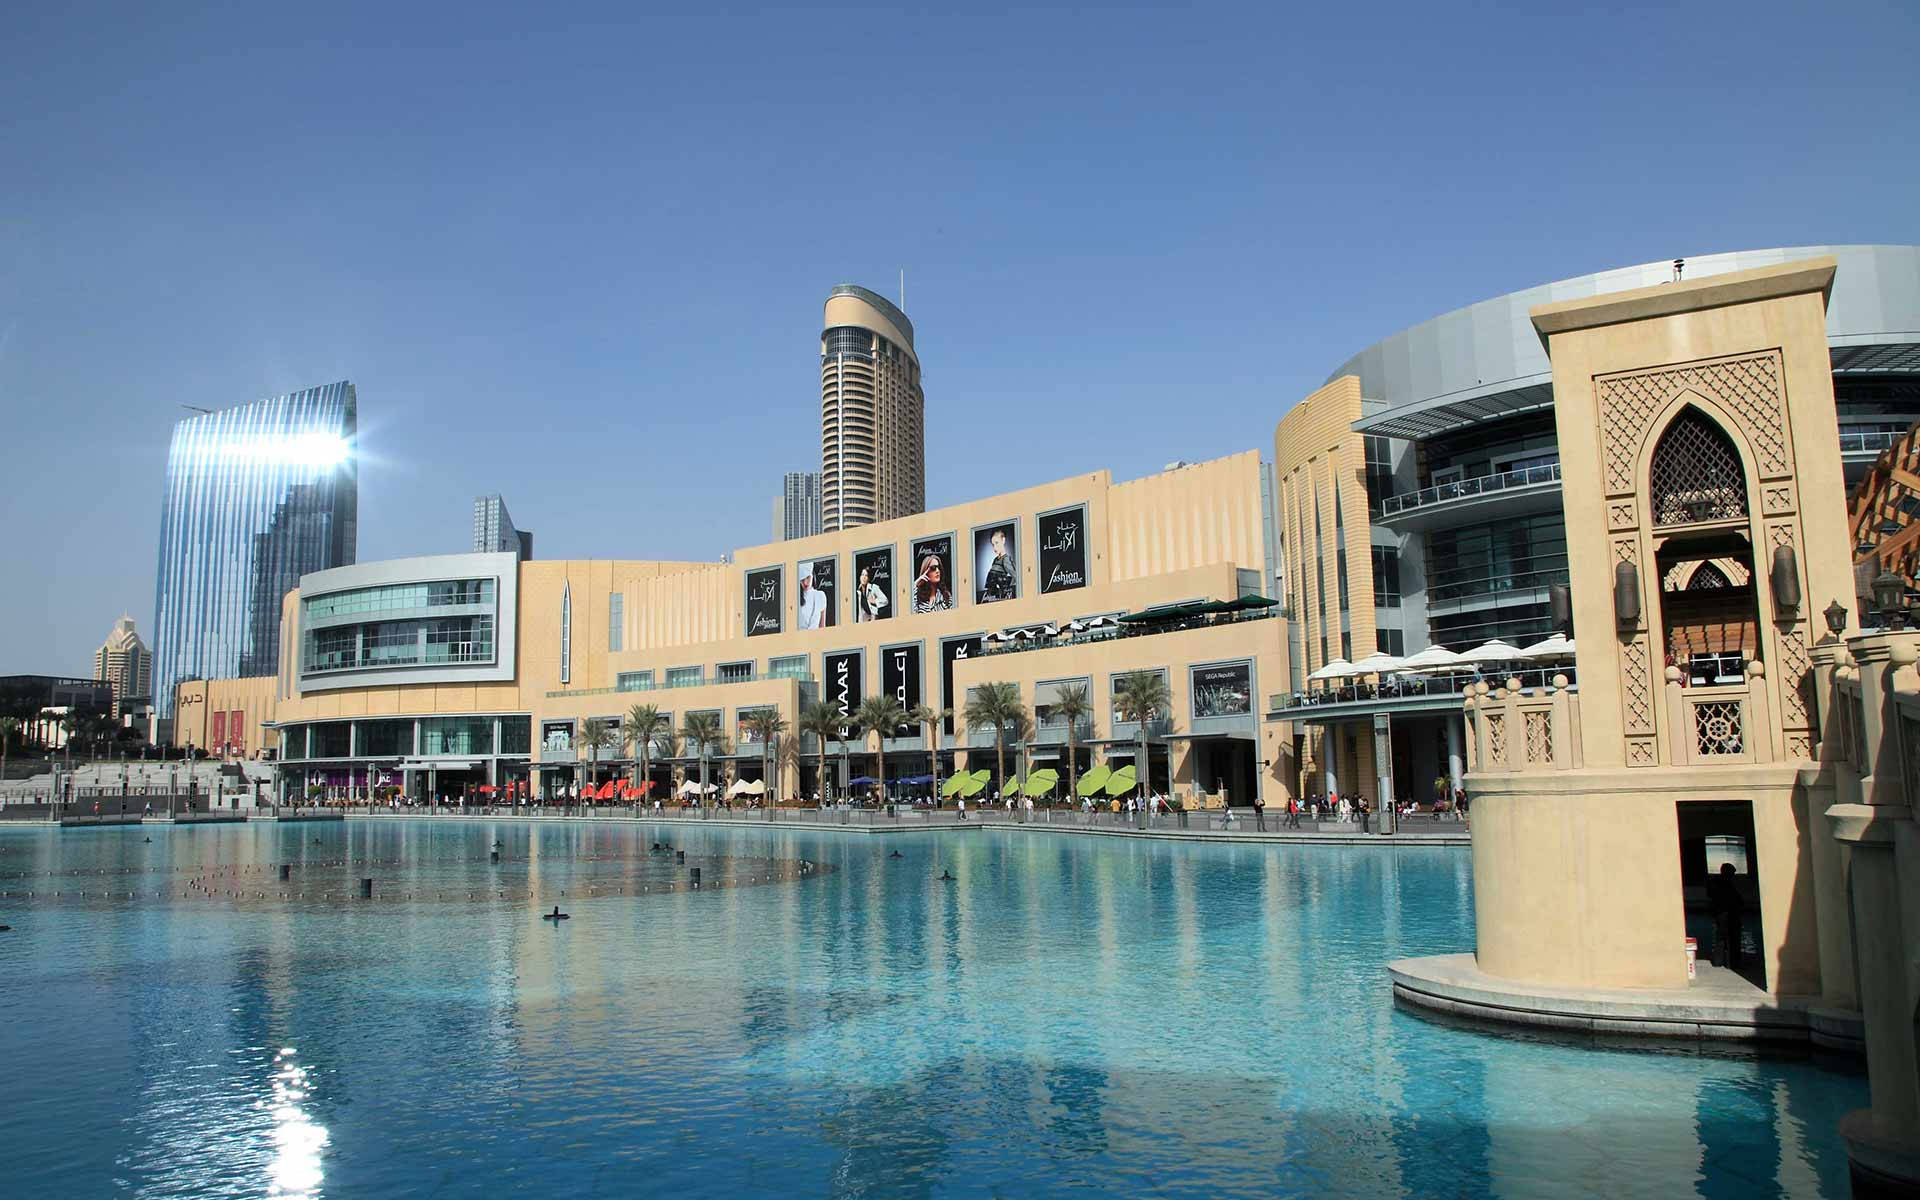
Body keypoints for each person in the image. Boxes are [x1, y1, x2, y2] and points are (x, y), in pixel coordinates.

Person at [1707, 863, 1744, 970]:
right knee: (1733, 940)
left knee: (1720, 939)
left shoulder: (1715, 883)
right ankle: (1734, 963)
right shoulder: (1726, 885)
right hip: (1729, 915)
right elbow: (1737, 901)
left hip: (1721, 914)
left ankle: (1718, 961)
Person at [977, 529, 1016, 604]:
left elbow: (1015, 576)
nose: (994, 548)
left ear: (1003, 540)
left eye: (997, 543)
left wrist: (1004, 586)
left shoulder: (1006, 559)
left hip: (998, 594)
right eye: (993, 544)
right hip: (990, 592)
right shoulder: (995, 559)